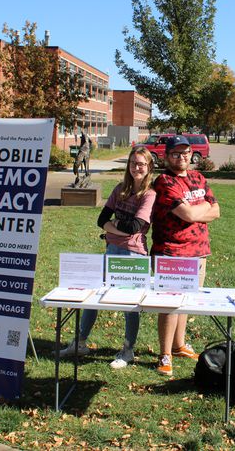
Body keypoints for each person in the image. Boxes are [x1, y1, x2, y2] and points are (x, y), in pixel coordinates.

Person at [58, 146, 157, 369]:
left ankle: (128, 350)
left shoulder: (149, 195)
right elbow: (100, 219)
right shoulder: (120, 189)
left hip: (134, 254)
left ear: (149, 166)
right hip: (112, 250)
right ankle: (80, 342)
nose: (136, 167)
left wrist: (111, 228)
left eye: (141, 164)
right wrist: (114, 229)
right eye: (133, 163)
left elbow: (135, 227)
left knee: (129, 305)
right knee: (94, 295)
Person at [151, 135, 220, 375]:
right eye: (175, 154)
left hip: (199, 251)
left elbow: (217, 210)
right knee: (170, 303)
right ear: (167, 156)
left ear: (191, 154)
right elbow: (188, 215)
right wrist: (201, 210)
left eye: (185, 153)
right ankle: (164, 354)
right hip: (172, 251)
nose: (181, 157)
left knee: (186, 301)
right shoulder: (163, 182)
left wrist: (196, 211)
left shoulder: (198, 177)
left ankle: (179, 345)